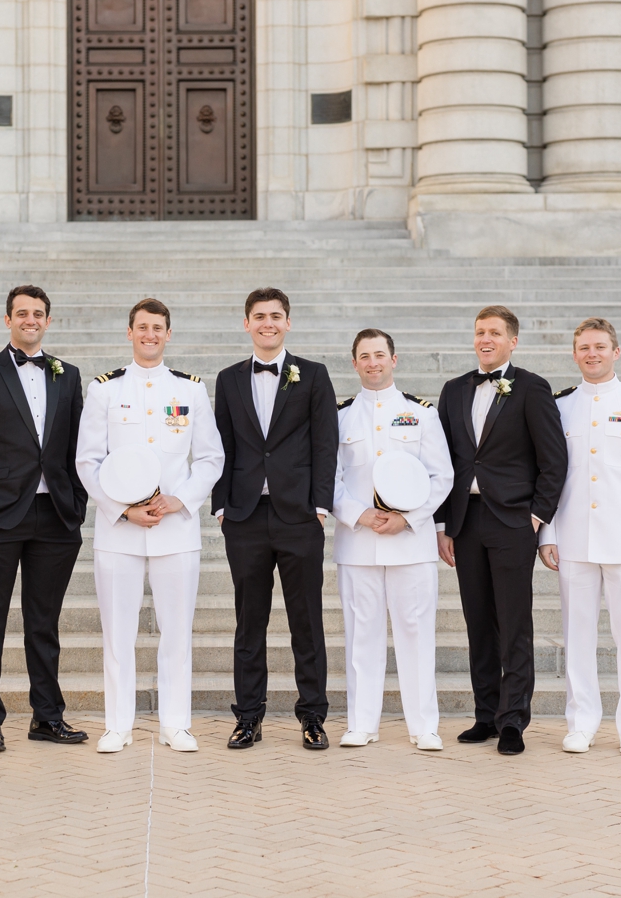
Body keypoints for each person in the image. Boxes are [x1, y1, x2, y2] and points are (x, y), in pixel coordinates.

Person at [75, 299, 223, 753]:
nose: (150, 335)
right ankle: (117, 724)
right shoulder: (104, 389)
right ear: (130, 332)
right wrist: (122, 509)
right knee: (117, 632)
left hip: (175, 530)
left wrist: (181, 500)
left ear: (168, 334)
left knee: (176, 631)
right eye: (142, 328)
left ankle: (176, 723)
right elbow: (87, 461)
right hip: (119, 531)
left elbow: (211, 458)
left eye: (158, 328)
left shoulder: (191, 390)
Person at [0, 286, 90, 752]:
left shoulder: (67, 375)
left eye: (38, 314)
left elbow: (78, 447)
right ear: (7, 319)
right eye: (22, 313)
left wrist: (77, 504)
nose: (30, 320)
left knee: (44, 622)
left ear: (48, 321)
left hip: (55, 516)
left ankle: (47, 717)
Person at [537, 317, 621, 757]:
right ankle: (582, 722)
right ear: (574, 354)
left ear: (616, 352)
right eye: (583, 348)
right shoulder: (558, 406)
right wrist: (548, 535)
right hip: (574, 540)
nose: (591, 354)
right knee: (577, 635)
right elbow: (551, 476)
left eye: (600, 347)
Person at [434, 305, 567, 755]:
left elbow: (554, 460)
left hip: (512, 520)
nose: (485, 339)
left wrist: (537, 515)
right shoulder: (453, 391)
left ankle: (514, 720)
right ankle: (486, 715)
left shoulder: (532, 388)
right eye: (479, 332)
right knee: (478, 623)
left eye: (494, 332)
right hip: (465, 520)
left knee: (514, 623)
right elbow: (444, 462)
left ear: (513, 341)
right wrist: (444, 524)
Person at [212, 287, 339, 750]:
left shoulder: (314, 375)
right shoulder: (227, 379)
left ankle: (312, 716)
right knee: (250, 622)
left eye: (276, 316)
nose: (268, 323)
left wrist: (320, 507)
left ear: (288, 322)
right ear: (246, 323)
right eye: (259, 316)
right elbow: (220, 445)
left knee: (306, 620)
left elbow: (326, 443)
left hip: (299, 517)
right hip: (244, 517)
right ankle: (248, 716)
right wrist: (223, 506)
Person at [332, 329, 452, 751]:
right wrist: (357, 513)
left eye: (379, 355)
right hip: (358, 543)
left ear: (394, 359)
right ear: (355, 364)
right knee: (360, 636)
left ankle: (423, 726)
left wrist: (411, 519)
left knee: (416, 634)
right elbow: (330, 478)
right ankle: (362, 723)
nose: (372, 363)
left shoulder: (421, 413)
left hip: (410, 546)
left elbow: (443, 476)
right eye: (364, 356)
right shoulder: (341, 415)